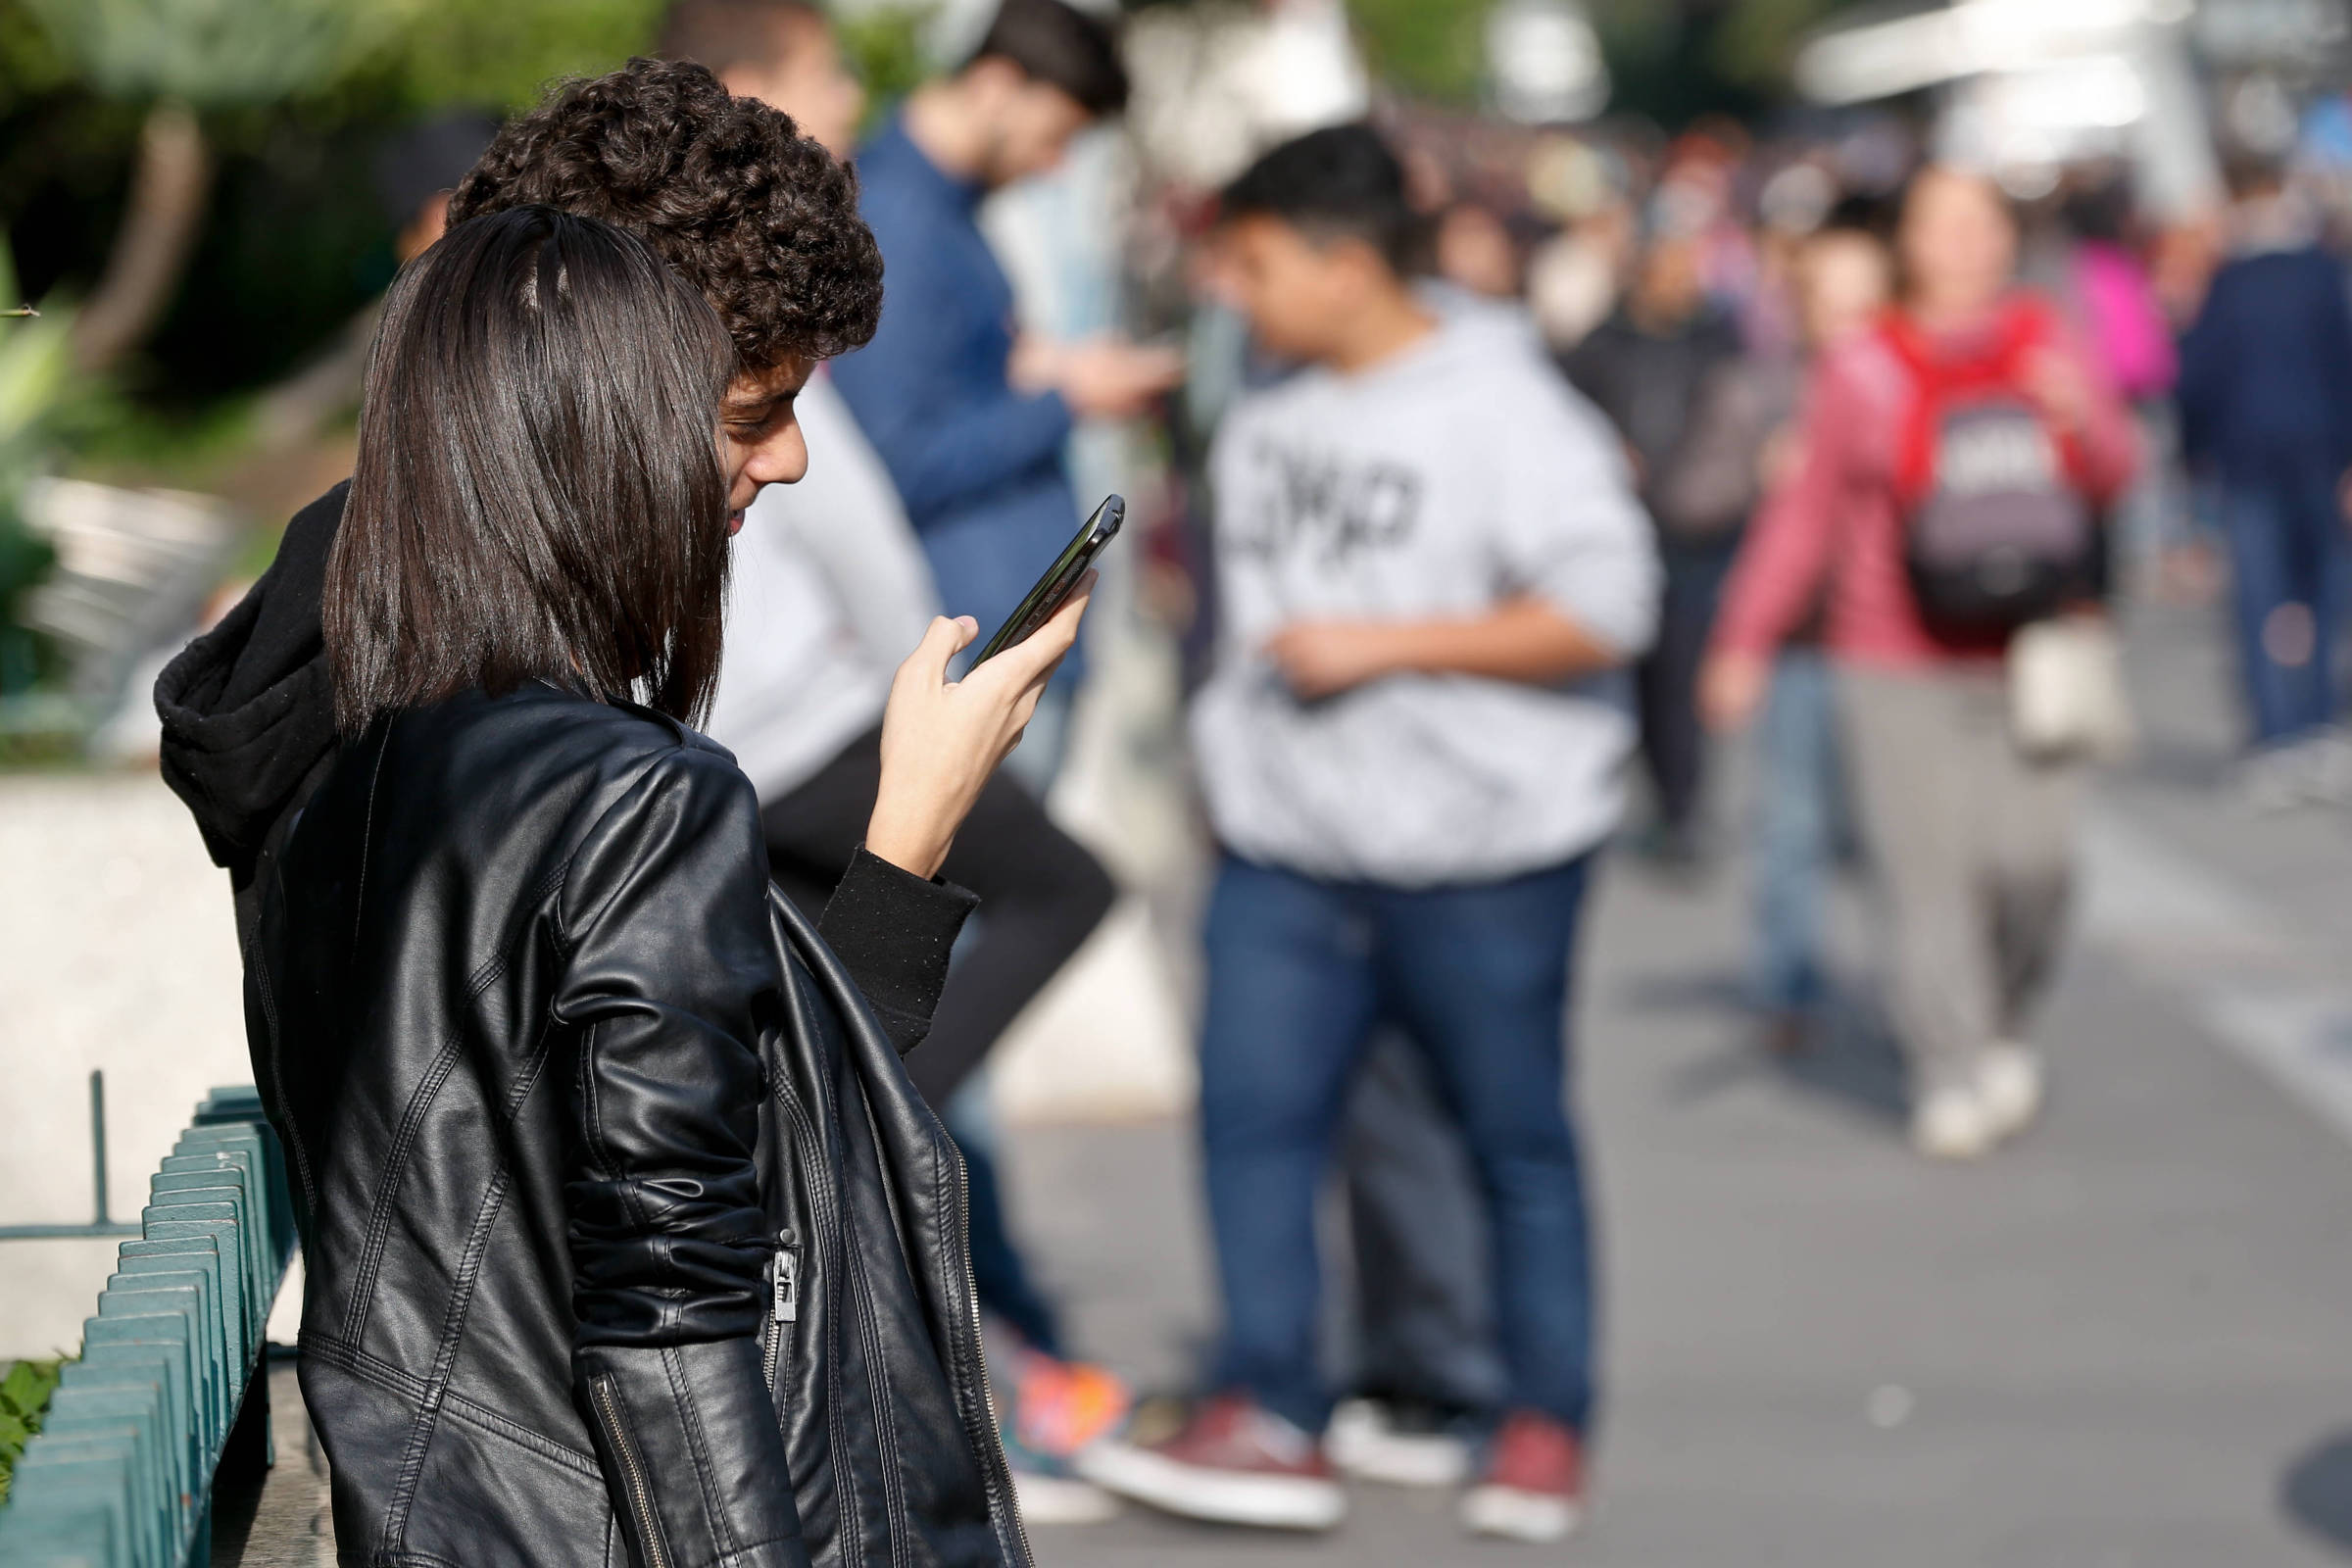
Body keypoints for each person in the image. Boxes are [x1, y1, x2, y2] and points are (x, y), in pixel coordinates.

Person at [147, 60, 1077, 1565]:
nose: (786, 457)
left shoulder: (333, 681)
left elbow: (641, 1171)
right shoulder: (616, 792)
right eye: (755, 408)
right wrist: (905, 846)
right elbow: (699, 1303)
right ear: (598, 376)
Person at [1078, 124, 1658, 1544]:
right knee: (1254, 1120)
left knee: (1509, 1135)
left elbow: (1610, 607)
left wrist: (1391, 647)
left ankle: (1540, 1418)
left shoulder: (1508, 411)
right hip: (1286, 844)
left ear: (1347, 266)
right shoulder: (1272, 396)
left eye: (1257, 264)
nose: (1233, 290)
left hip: (1486, 854)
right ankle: (1272, 1405)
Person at [655, 0, 1129, 1514]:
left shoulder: (817, 247)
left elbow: (840, 479)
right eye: (820, 77)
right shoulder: (736, 282)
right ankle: (875, 1180)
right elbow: (864, 482)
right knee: (878, 1048)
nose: (850, 100)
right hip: (807, 713)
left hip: (831, 696)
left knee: (856, 1037)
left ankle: (945, 1340)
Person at [1703, 167, 2137, 1159]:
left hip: (2031, 644)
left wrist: (2079, 418)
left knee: (2038, 867)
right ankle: (1946, 1063)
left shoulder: (2048, 338)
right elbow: (1804, 515)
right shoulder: (1860, 366)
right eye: (1939, 225)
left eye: (1979, 223)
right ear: (1905, 242)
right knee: (1925, 875)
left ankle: (2000, 1020)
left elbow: (2116, 476)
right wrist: (1744, 638)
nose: (1961, 244)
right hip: (1893, 652)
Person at [830, 0, 1181, 771]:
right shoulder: (899, 222)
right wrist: (1069, 399)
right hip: (974, 639)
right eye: (1055, 136)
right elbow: (895, 459)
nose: (1054, 164)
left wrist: (1039, 373)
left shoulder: (941, 210)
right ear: (995, 83)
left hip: (997, 630)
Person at [1721, 215, 1891, 1054]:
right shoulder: (1773, 392)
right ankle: (1788, 984)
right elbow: (1756, 525)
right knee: (1792, 822)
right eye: (1831, 296)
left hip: (1898, 647)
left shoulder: (1913, 384)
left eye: (1867, 295)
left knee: (1896, 832)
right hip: (1805, 644)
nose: (1849, 313)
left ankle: (1925, 992)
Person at [1563, 209, 1747, 863]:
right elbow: (1563, 415)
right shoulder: (1601, 345)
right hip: (1620, 527)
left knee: (1681, 675)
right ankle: (1646, 790)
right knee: (1636, 674)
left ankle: (1682, 807)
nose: (1679, 281)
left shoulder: (1719, 341)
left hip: (1696, 533)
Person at [2177, 157, 2352, 807]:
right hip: (2319, 456)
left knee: (2264, 598)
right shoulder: (2318, 270)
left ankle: (2280, 736)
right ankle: (2315, 724)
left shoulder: (2231, 279)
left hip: (2249, 459)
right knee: (2320, 596)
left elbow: (2196, 377)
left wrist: (2190, 455)